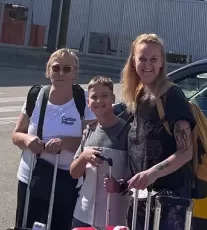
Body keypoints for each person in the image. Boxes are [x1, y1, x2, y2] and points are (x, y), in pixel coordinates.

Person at [111, 33, 195, 230]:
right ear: (133, 61)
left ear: (162, 62)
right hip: (142, 198)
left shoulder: (171, 95)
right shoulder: (140, 94)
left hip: (168, 202)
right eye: (142, 58)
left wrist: (151, 174)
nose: (147, 64)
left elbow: (186, 152)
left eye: (153, 59)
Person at [11, 49, 94, 230]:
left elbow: (93, 140)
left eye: (67, 69)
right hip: (31, 179)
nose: (60, 73)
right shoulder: (37, 96)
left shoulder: (84, 100)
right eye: (56, 68)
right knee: (26, 226)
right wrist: (27, 140)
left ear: (74, 73)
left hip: (67, 181)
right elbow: (16, 134)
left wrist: (64, 143)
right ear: (48, 71)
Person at [69, 76, 130, 229]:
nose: (99, 100)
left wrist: (119, 185)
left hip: (115, 216)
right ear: (88, 102)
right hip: (84, 214)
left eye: (104, 96)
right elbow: (74, 173)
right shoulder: (89, 131)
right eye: (94, 97)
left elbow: (136, 173)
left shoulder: (127, 131)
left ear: (113, 99)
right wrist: (83, 157)